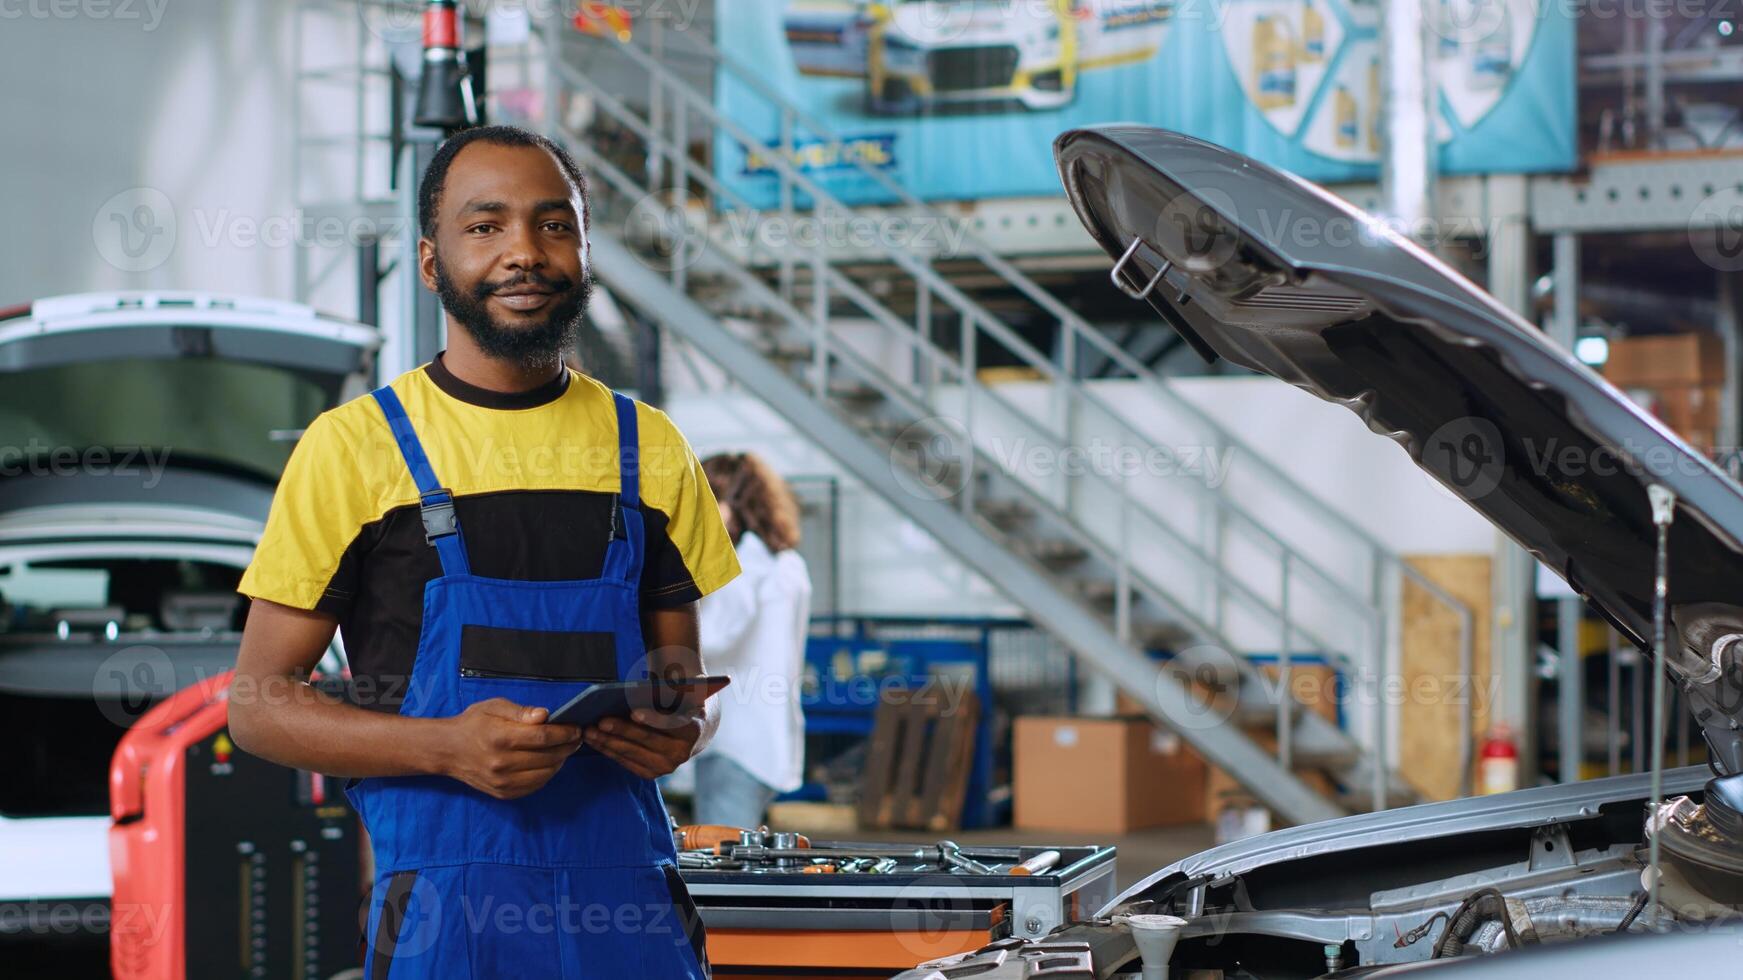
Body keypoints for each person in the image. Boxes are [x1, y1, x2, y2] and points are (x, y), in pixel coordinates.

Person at [228, 124, 739, 979]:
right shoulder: (351, 448)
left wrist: (686, 730)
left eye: (553, 224)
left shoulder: (650, 446)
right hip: (447, 922)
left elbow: (684, 685)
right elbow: (257, 706)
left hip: (630, 913)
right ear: (431, 264)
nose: (524, 253)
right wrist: (443, 747)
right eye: (484, 225)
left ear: (582, 247)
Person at [677, 452, 813, 828]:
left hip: (735, 743)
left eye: (708, 501)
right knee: (738, 853)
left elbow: (711, 639)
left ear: (732, 505)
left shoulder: (741, 566)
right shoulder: (785, 562)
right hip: (764, 736)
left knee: (723, 867)